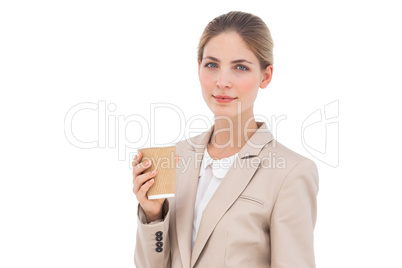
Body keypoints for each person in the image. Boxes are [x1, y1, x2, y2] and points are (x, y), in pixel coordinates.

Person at [132, 11, 319, 268]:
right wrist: (153, 216)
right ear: (198, 68)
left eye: (240, 67)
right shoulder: (177, 157)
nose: (222, 81)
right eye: (212, 64)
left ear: (265, 76)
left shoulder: (291, 172)